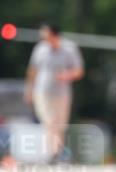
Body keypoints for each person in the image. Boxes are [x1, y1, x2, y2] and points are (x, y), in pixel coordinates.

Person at [24, 24, 84, 162]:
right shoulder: (40, 49)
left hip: (62, 92)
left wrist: (67, 75)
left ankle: (56, 153)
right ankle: (53, 152)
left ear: (54, 35)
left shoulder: (69, 48)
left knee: (60, 124)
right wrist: (29, 89)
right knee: (49, 121)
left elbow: (79, 71)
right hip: (42, 92)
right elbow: (33, 71)